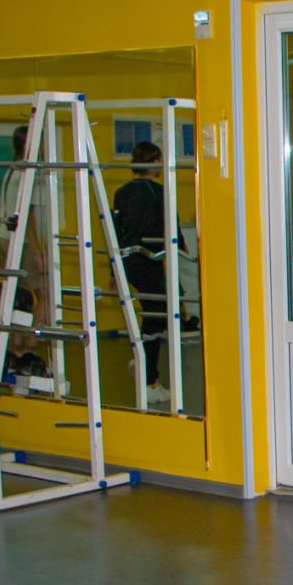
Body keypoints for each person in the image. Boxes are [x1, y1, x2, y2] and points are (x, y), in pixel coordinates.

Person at [112, 141, 170, 405]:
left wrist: (114, 270)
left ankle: (144, 365)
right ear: (153, 160)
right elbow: (169, 226)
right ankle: (149, 378)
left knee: (153, 313)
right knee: (157, 313)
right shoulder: (158, 193)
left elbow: (116, 230)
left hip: (128, 261)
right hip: (147, 260)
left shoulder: (121, 193)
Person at [0, 123, 53, 354]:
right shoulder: (26, 173)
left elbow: (0, 212)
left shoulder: (11, 170)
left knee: (15, 293)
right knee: (45, 294)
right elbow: (26, 215)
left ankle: (16, 343)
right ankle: (30, 346)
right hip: (20, 241)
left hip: (3, 236)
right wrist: (37, 251)